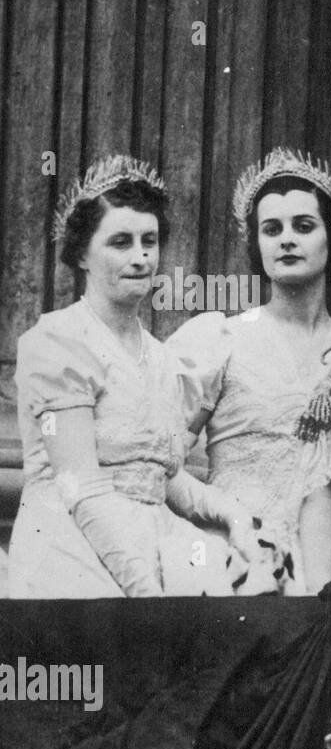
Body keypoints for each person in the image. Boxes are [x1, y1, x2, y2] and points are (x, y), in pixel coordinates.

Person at [9, 157, 257, 597]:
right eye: (121, 242)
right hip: (73, 547)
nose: (141, 257)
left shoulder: (161, 359)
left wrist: (231, 513)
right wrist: (145, 596)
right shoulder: (58, 343)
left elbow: (160, 475)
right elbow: (79, 487)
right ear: (82, 254)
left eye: (150, 241)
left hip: (150, 539)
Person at [166, 148, 331, 593]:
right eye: (272, 229)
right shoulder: (221, 339)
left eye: (304, 226)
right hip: (239, 560)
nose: (286, 239)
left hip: (330, 567)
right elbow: (154, 462)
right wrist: (226, 516)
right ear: (257, 244)